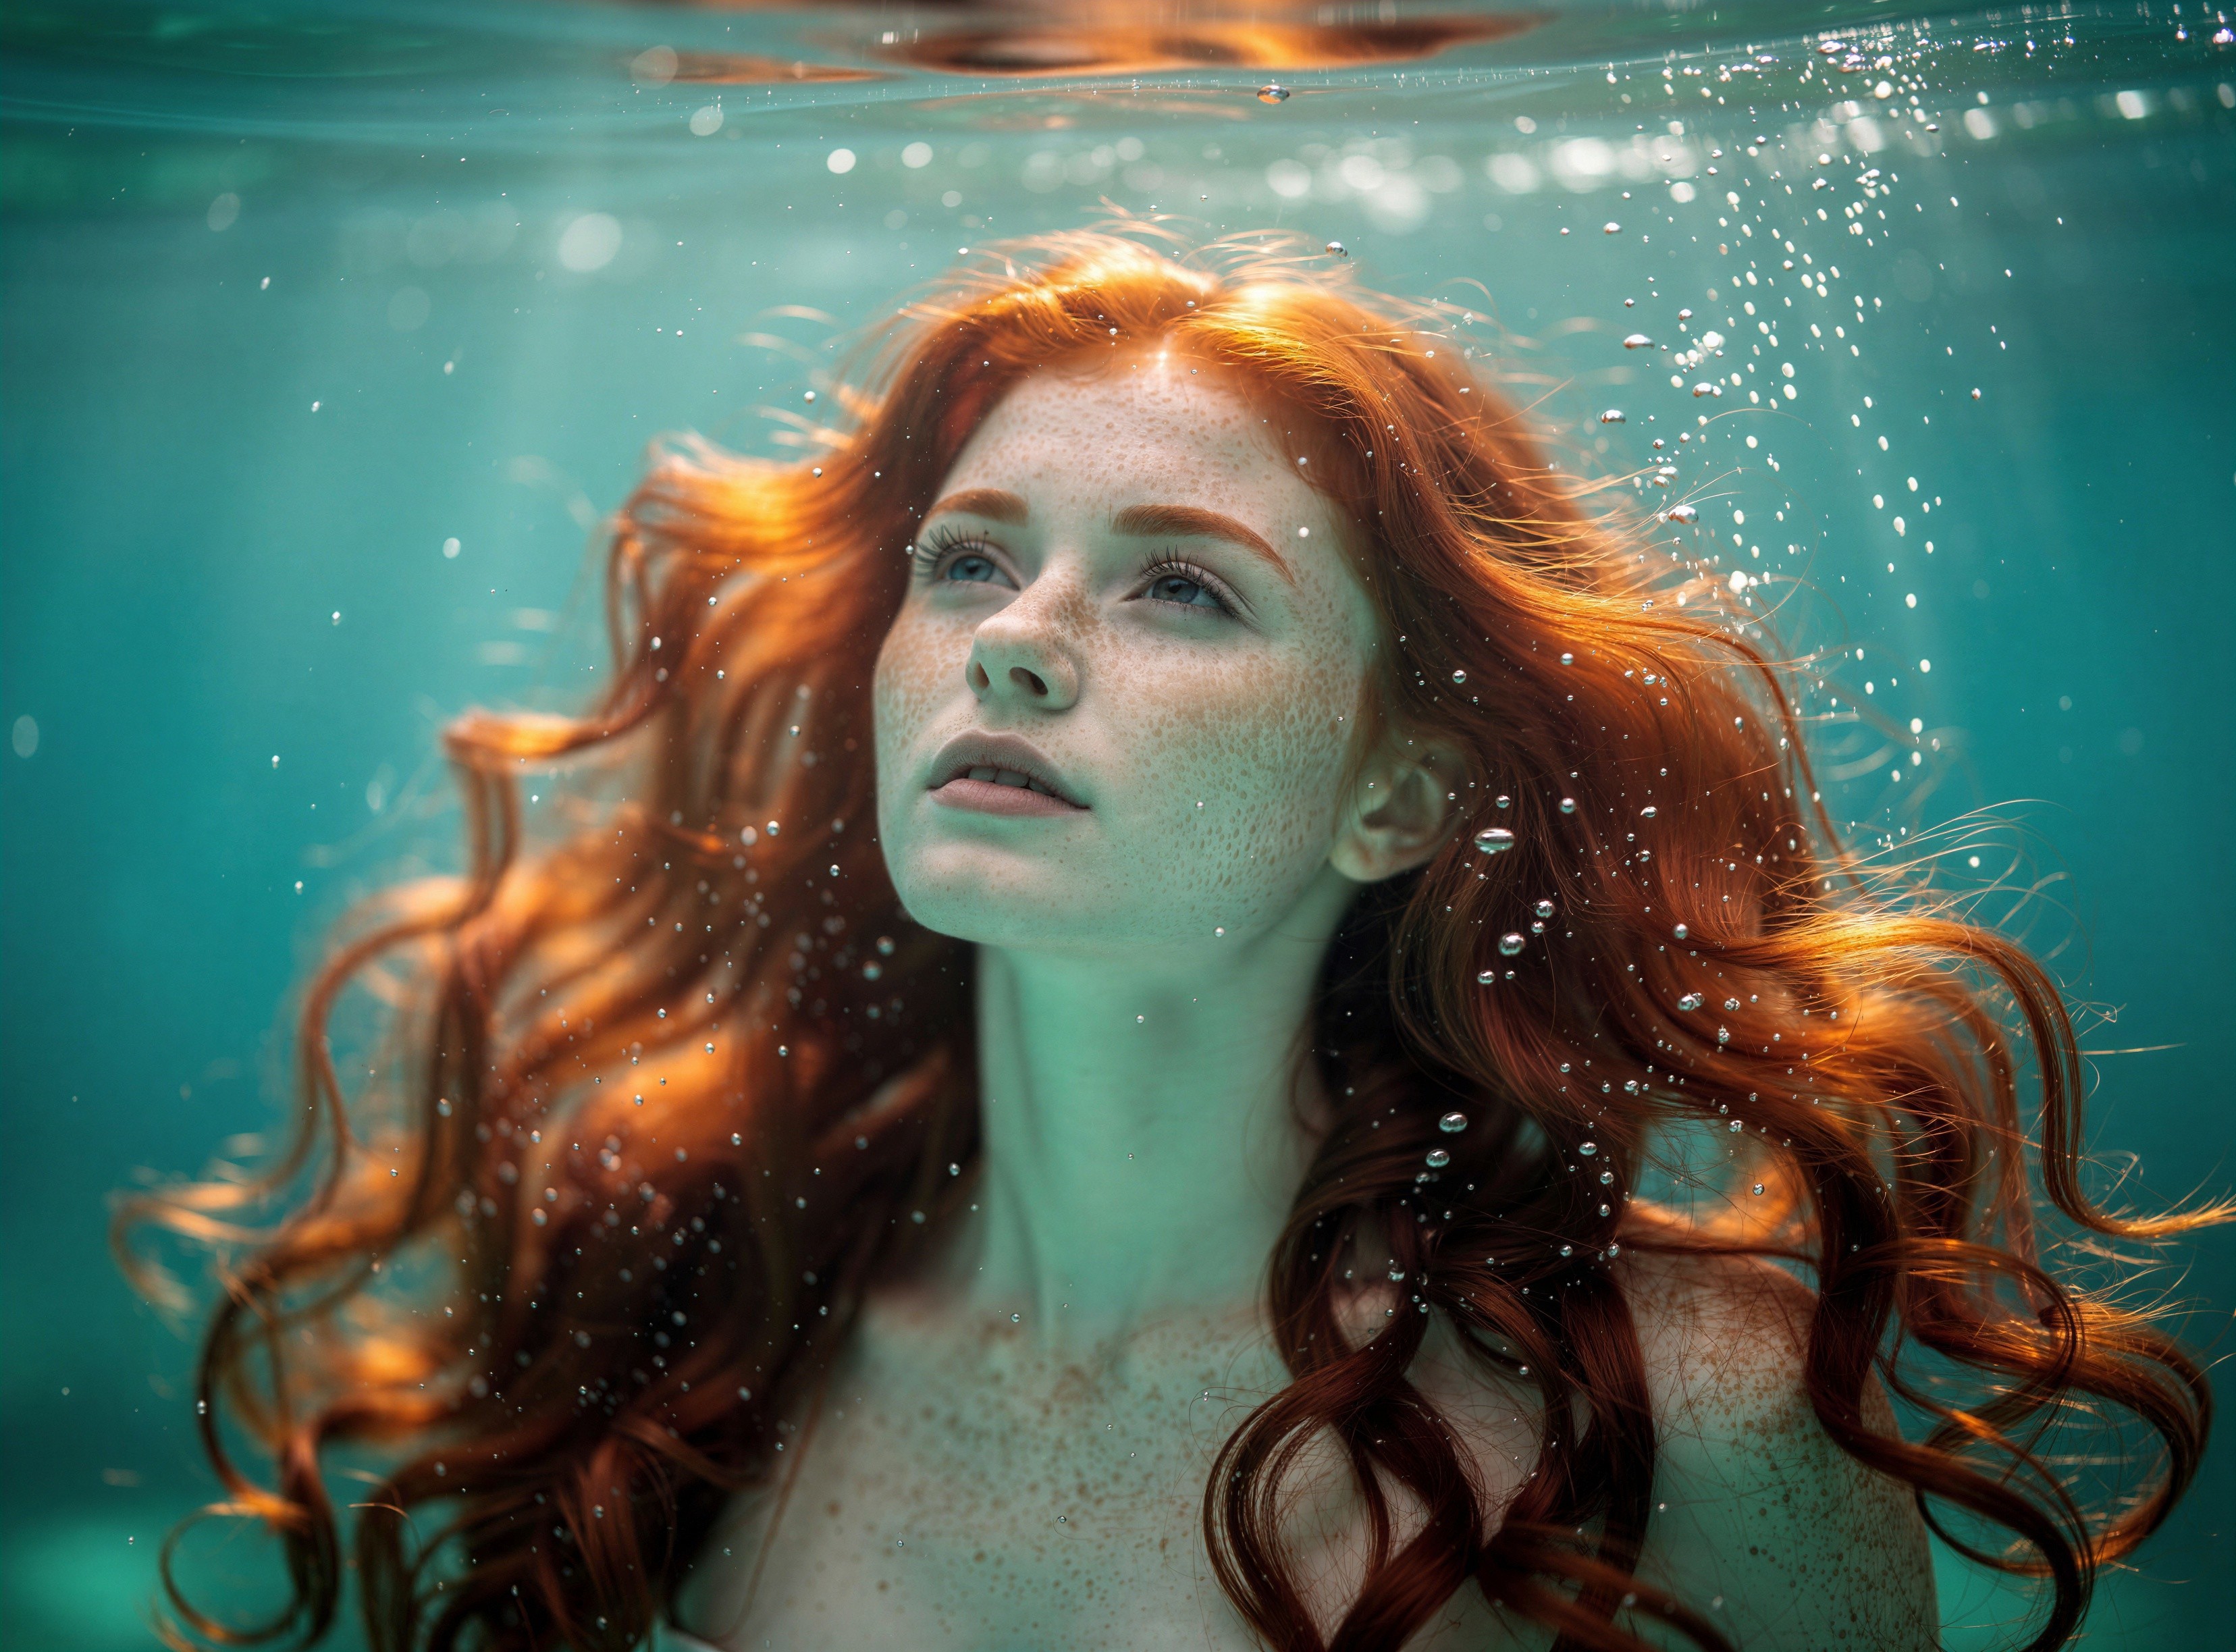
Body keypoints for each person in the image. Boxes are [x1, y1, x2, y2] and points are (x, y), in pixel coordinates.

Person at [124, 231, 2216, 1652]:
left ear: (1396, 792)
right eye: (968, 563)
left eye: (1182, 590)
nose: (1013, 648)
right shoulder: (690, 1324)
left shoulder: (1696, 1420)